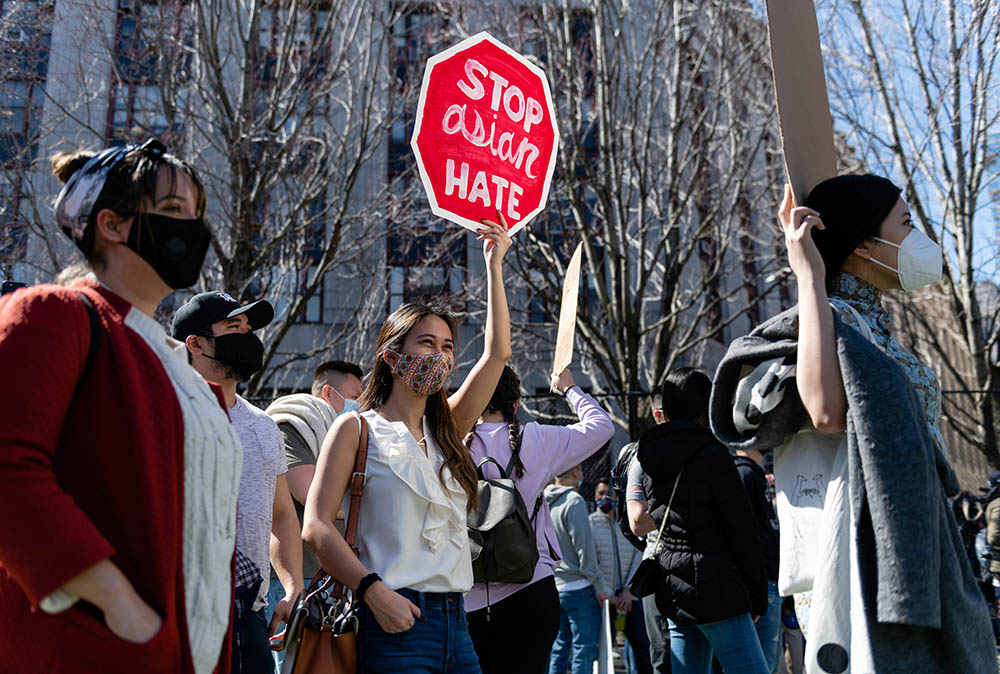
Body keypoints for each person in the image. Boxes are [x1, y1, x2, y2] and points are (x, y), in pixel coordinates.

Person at [711, 175, 996, 672]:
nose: (918, 237)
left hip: (914, 546)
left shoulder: (872, 322)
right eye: (905, 223)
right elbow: (824, 410)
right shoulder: (834, 318)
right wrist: (808, 277)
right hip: (859, 564)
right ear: (864, 244)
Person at [0, 140, 243, 673]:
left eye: (198, 213)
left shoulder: (177, 367)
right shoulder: (54, 314)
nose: (194, 227)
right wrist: (126, 613)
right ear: (111, 224)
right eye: (175, 210)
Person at [301, 215, 512, 674]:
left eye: (449, 346)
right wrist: (372, 592)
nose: (440, 355)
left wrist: (494, 264)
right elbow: (316, 527)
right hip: (392, 622)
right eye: (427, 343)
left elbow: (497, 354)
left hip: (459, 626)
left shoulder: (448, 430)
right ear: (392, 356)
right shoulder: (356, 430)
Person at [173, 291, 303, 674]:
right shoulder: (166, 412)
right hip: (181, 613)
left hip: (250, 616)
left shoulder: (264, 425)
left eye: (248, 327)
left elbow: (280, 515)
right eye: (234, 327)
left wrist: (293, 586)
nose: (247, 335)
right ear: (195, 344)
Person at [464, 365, 615, 674]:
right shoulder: (539, 439)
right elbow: (602, 426)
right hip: (531, 589)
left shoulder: (449, 443)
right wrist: (570, 388)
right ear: (516, 403)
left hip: (467, 596)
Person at [638, 367, 768, 674]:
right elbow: (742, 530)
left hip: (673, 585)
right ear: (706, 407)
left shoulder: (649, 455)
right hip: (719, 587)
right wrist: (758, 596)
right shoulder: (714, 455)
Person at [263, 359, 364, 666]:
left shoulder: (343, 433)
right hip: (293, 578)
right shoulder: (291, 424)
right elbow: (310, 493)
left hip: (330, 574)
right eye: (354, 395)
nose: (358, 404)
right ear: (328, 393)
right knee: (293, 664)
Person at [545, 464, 612, 674]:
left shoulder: (542, 501)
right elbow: (585, 550)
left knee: (559, 649)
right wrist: (600, 585)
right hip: (579, 588)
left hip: (554, 586)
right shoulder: (574, 501)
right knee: (583, 650)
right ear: (574, 473)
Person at [626, 384, 672, 673]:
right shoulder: (643, 459)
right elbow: (637, 522)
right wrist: (683, 508)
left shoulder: (709, 452)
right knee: (663, 653)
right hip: (658, 568)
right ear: (658, 415)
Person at [590, 479, 651, 674]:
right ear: (594, 496)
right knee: (603, 648)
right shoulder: (590, 524)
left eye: (608, 493)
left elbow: (638, 555)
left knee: (642, 645)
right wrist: (608, 594)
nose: (604, 497)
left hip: (627, 598)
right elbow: (591, 562)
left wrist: (628, 590)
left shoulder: (627, 524)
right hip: (604, 600)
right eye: (600, 493)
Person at [732, 447, 782, 671]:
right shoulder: (744, 474)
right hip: (760, 584)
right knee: (760, 664)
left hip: (768, 581)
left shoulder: (753, 473)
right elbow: (742, 534)